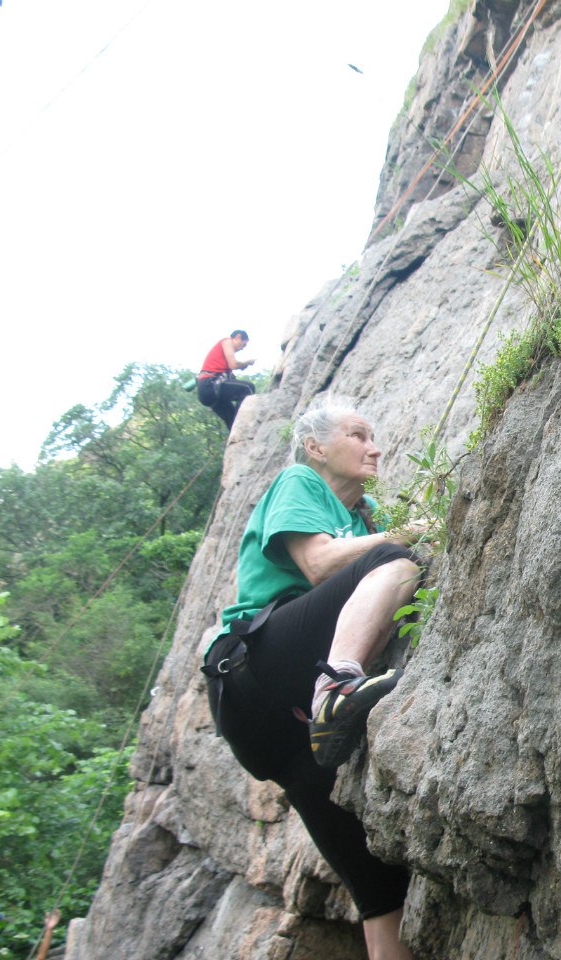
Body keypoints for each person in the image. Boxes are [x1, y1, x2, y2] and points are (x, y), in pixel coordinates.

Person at [202, 396, 422, 960]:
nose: (374, 446)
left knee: (380, 892)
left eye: (374, 436)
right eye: (358, 434)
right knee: (395, 562)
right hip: (257, 664)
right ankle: (338, 684)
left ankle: (329, 702)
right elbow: (321, 564)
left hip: (279, 737)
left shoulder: (363, 513)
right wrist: (399, 539)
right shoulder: (300, 481)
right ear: (316, 447)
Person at [197, 330, 256, 430]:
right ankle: (244, 422)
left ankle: (238, 439)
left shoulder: (223, 365)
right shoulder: (227, 341)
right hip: (210, 384)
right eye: (243, 344)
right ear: (237, 337)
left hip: (206, 392)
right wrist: (246, 363)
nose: (242, 348)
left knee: (233, 421)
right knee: (248, 388)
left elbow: (231, 378)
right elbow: (233, 364)